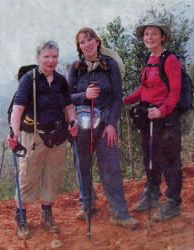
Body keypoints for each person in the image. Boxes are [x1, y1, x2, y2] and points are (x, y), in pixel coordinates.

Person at [68, 27, 139, 229]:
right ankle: (88, 205)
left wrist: (111, 124)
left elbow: (117, 98)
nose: (87, 44)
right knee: (82, 166)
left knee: (111, 168)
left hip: (104, 124)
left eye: (90, 40)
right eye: (82, 42)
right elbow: (66, 98)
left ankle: (120, 213)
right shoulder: (75, 68)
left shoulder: (110, 66)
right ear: (79, 47)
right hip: (81, 127)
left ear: (97, 42)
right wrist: (84, 96)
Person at [7, 40, 78, 239]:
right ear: (38, 58)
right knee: (28, 176)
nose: (51, 61)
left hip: (58, 134)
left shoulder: (61, 80)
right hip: (34, 136)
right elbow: (18, 109)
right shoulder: (29, 80)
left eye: (54, 56)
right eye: (46, 56)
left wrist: (73, 122)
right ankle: (21, 218)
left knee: (53, 176)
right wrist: (13, 132)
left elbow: (69, 107)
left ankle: (46, 214)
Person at [124, 21, 183, 222]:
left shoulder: (170, 59)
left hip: (166, 119)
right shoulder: (149, 59)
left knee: (170, 161)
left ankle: (173, 202)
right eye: (146, 34)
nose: (149, 38)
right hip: (148, 116)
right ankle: (152, 194)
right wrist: (126, 100)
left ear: (162, 37)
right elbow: (144, 89)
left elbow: (175, 92)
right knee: (150, 158)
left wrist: (161, 111)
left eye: (154, 34)